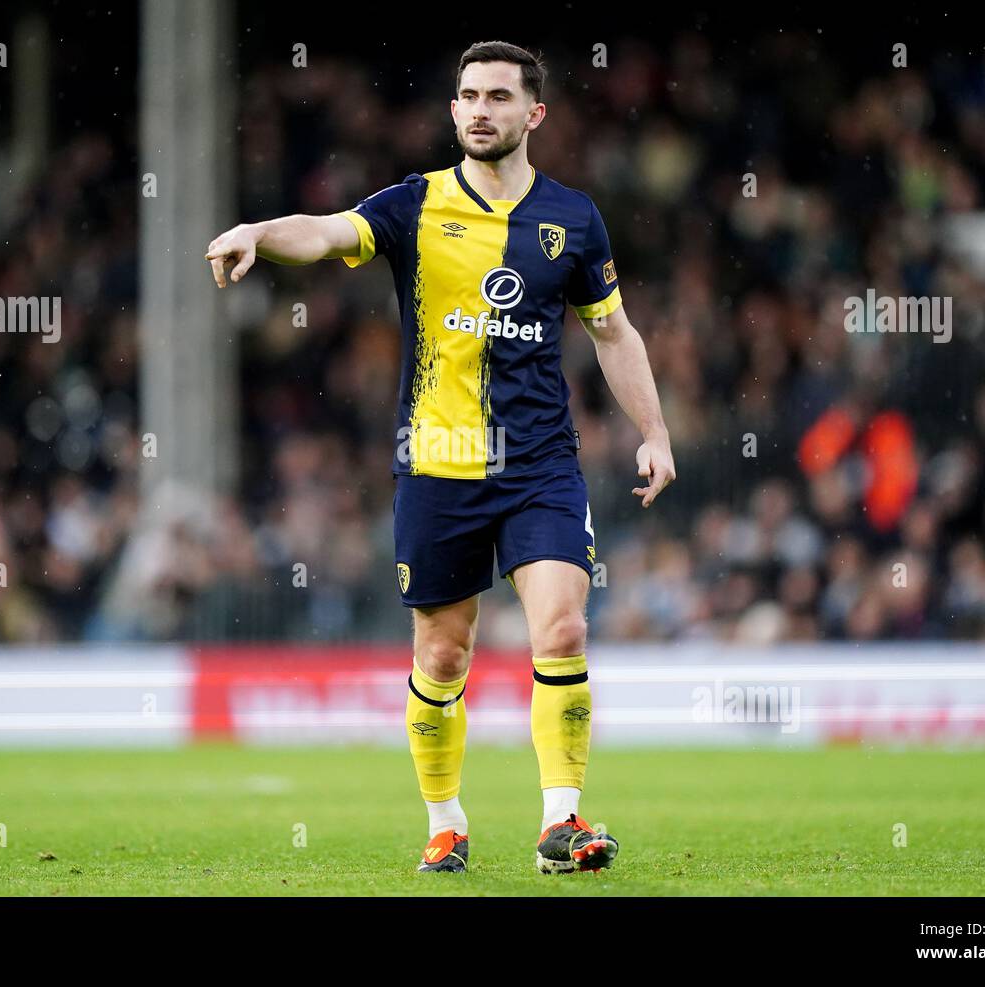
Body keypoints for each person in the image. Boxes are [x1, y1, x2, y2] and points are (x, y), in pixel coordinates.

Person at [206, 40, 675, 874]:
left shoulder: (574, 217)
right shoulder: (413, 205)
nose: (479, 110)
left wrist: (655, 430)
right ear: (453, 110)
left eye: (498, 96)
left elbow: (612, 330)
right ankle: (446, 821)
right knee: (442, 655)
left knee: (563, 626)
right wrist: (257, 232)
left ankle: (561, 824)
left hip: (540, 465)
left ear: (533, 114)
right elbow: (324, 231)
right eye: (467, 96)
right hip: (438, 460)